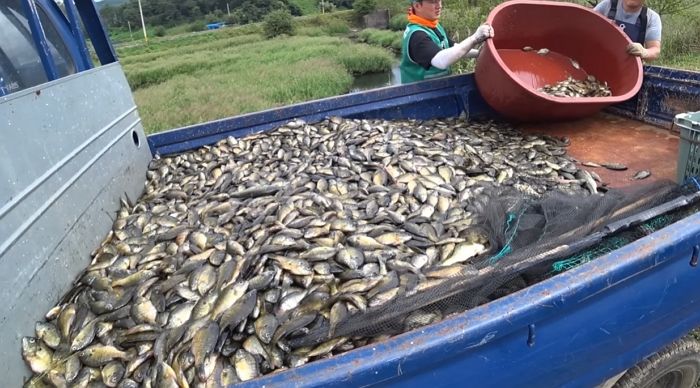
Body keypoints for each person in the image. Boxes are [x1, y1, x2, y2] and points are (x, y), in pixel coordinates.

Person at [400, 0, 495, 84]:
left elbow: (453, 48)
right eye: (433, 2)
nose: (439, 5)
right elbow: (441, 61)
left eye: (440, 1)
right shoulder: (417, 36)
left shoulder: (433, 26)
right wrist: (475, 38)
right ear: (417, 6)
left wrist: (479, 54)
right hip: (419, 96)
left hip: (437, 89)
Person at [593, 0, 662, 61]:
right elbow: (586, 27)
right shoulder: (606, 5)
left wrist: (644, 52)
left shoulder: (652, 18)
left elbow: (655, 50)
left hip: (628, 71)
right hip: (598, 62)